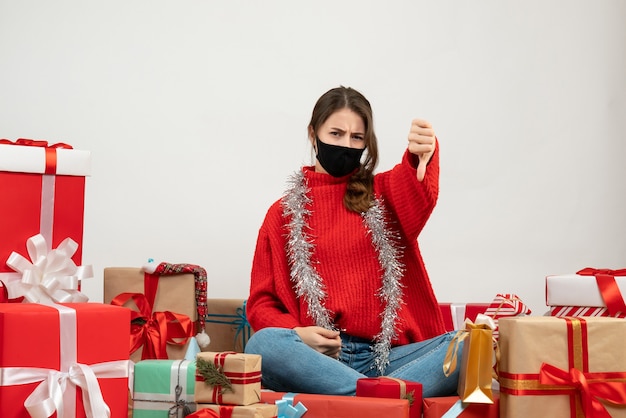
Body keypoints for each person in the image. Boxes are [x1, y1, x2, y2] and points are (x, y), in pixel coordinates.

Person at [244, 86, 459, 397]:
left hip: (389, 359)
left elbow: (416, 194)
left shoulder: (383, 193)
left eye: (356, 138)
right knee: (263, 344)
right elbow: (261, 303)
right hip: (319, 360)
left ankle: (362, 401)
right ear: (312, 134)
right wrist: (299, 334)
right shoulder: (281, 214)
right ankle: (382, 401)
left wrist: (421, 154)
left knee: (464, 347)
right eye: (336, 133)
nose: (346, 144)